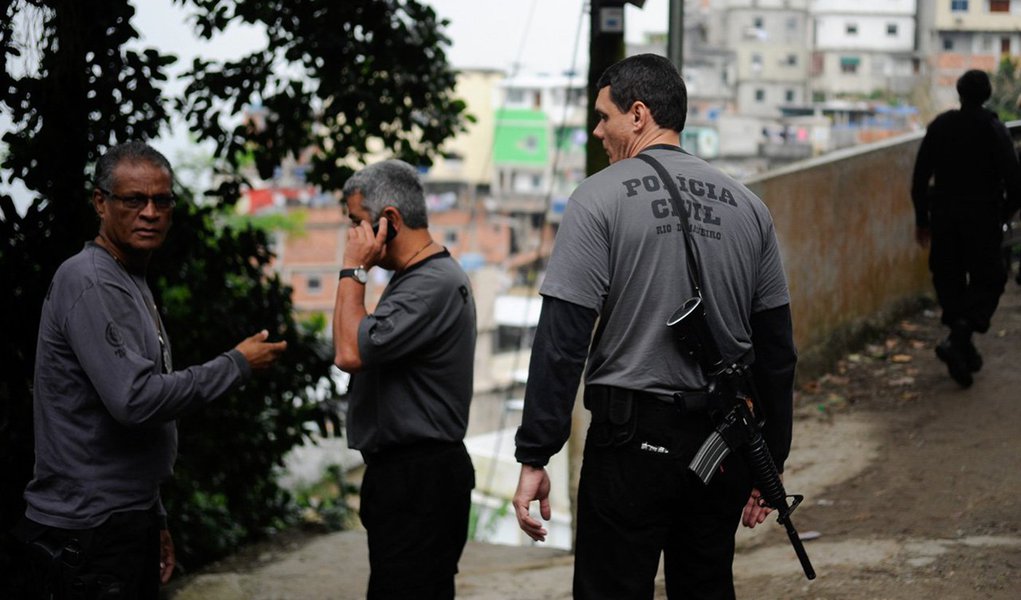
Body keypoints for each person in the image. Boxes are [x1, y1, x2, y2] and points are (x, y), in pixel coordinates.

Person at [511, 54, 797, 599]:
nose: (597, 131)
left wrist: (535, 455)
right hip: (722, 443)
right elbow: (777, 351)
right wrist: (770, 462)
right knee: (706, 585)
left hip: (629, 445)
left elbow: (562, 341)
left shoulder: (596, 199)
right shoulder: (750, 208)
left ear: (638, 115)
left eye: (604, 116)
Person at [14, 140, 288, 599]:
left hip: (122, 520)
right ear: (100, 203)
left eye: (161, 201)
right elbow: (136, 400)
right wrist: (237, 364)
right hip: (88, 531)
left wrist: (153, 515)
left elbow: (136, 427)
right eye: (134, 200)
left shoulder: (128, 277)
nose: (150, 212)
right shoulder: (91, 280)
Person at [332, 159, 476, 599]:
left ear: (389, 220)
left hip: (421, 481)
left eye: (358, 222)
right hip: (406, 478)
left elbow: (348, 351)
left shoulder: (431, 284)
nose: (353, 236)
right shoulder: (413, 278)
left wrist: (353, 270)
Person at [911, 69, 1021, 388]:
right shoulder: (993, 129)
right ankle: (960, 338)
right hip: (982, 218)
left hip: (944, 218)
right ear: (986, 95)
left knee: (949, 279)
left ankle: (961, 345)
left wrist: (922, 220)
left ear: (959, 93)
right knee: (991, 277)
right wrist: (1002, 214)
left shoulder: (941, 126)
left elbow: (919, 178)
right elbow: (1015, 182)